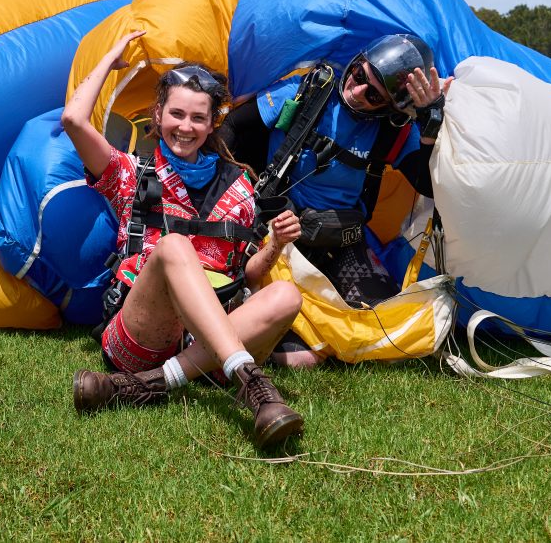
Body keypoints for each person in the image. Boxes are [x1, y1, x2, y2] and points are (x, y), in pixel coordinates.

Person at [62, 30, 306, 448]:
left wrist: (276, 246)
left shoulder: (240, 187)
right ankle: (253, 385)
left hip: (204, 346)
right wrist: (109, 61)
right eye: (176, 114)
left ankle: (150, 384)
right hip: (140, 336)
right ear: (158, 115)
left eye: (197, 118)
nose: (185, 127)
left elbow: (246, 274)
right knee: (174, 246)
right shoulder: (130, 174)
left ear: (213, 123)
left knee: (286, 295)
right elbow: (73, 121)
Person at [219, 34, 451, 367]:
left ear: (388, 106)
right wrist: (225, 192)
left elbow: (426, 185)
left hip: (339, 239)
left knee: (387, 327)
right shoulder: (308, 92)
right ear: (356, 62)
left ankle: (312, 340)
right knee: (299, 351)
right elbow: (233, 126)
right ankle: (287, 339)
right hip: (280, 231)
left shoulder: (391, 130)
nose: (357, 90)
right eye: (359, 74)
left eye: (373, 94)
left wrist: (430, 129)